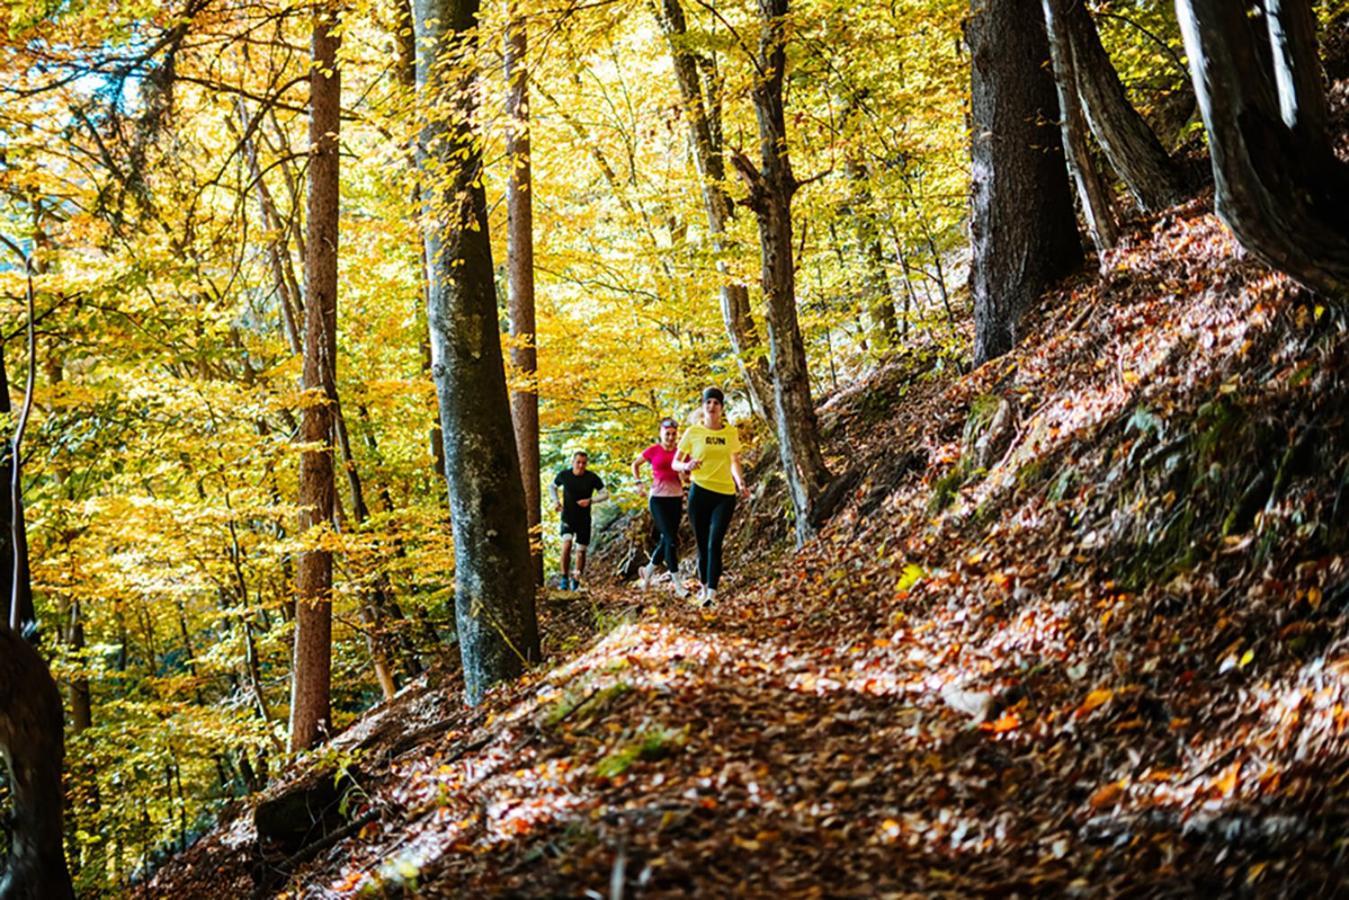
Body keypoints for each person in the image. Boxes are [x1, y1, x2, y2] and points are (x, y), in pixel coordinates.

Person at [673, 387, 749, 606]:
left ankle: (712, 596)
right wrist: (686, 465)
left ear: (722, 408)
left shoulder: (730, 433)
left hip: (725, 494)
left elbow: (735, 461)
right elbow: (675, 462)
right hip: (700, 493)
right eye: (708, 403)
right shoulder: (693, 433)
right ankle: (704, 588)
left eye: (716, 403)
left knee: (715, 542)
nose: (712, 406)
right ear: (703, 406)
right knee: (702, 543)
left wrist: (740, 482)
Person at [632, 417, 688, 597]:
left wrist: (687, 473)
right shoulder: (653, 450)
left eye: (673, 434)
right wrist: (638, 482)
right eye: (667, 434)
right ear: (661, 433)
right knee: (670, 540)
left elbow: (686, 478)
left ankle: (648, 570)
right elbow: (635, 464)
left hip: (676, 499)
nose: (670, 437)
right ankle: (678, 585)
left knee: (667, 539)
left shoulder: (681, 452)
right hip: (657, 499)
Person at [551, 451, 607, 590]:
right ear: (573, 462)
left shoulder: (592, 477)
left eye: (583, 463)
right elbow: (552, 486)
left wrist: (591, 500)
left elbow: (605, 493)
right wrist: (556, 502)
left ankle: (576, 580)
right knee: (567, 543)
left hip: (584, 519)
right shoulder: (564, 475)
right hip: (568, 516)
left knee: (581, 551)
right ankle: (564, 578)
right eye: (578, 462)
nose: (581, 465)